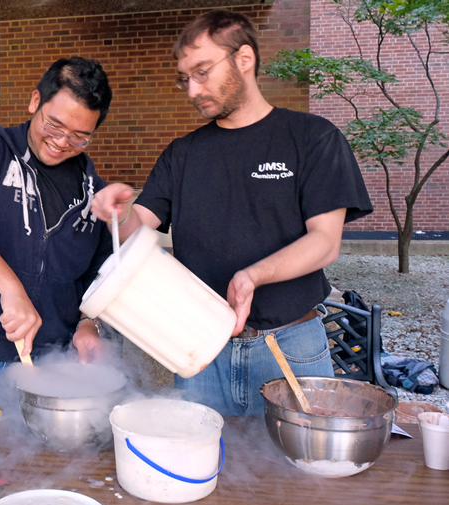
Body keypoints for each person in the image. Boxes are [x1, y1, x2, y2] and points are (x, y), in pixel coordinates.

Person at [91, 10, 373, 416]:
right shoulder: (182, 154)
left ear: (244, 59)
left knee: (295, 474)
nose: (191, 89)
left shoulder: (312, 138)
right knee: (205, 466)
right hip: (199, 348)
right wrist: (117, 213)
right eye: (184, 78)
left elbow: (325, 243)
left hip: (289, 345)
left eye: (202, 72)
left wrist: (253, 276)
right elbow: (139, 229)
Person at [0, 57, 114, 402]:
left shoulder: (94, 192)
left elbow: (99, 271)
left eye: (79, 137)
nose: (61, 142)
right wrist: (10, 288)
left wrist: (89, 323)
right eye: (54, 125)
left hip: (55, 364)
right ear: (34, 102)